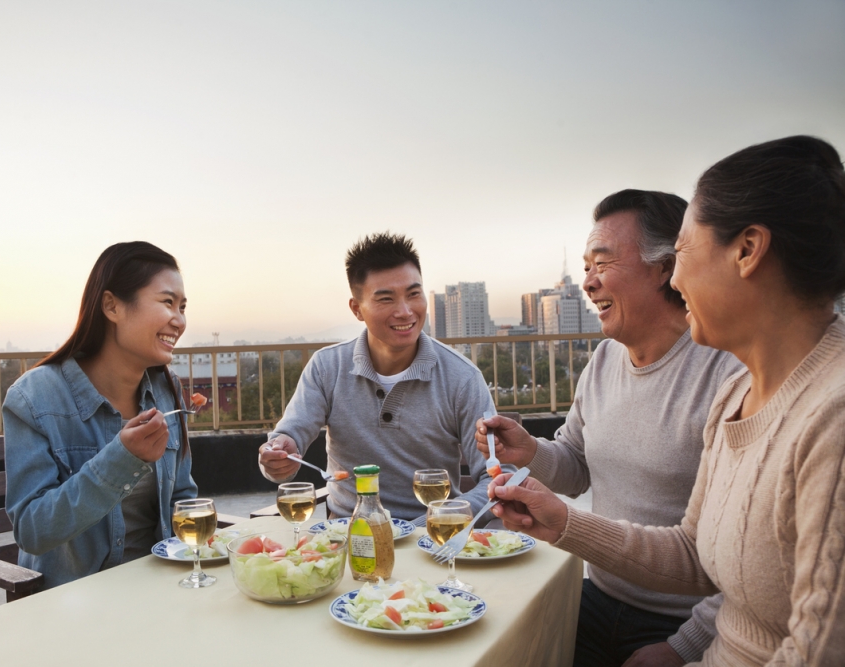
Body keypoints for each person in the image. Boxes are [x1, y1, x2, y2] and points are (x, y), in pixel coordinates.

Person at [489, 136, 845, 666]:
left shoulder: (827, 416)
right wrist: (560, 518)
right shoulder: (738, 393)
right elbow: (695, 551)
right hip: (608, 596)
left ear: (747, 250)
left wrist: (683, 650)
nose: (677, 276)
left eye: (681, 252)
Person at [477, 190, 742, 666]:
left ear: (666, 267)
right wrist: (529, 451)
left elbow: (748, 554)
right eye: (585, 268)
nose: (588, 282)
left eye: (602, 263)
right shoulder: (604, 360)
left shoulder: (728, 372)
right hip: (595, 593)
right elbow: (576, 465)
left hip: (683, 620)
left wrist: (685, 647)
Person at [258, 232, 496, 522]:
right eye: (386, 299)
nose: (405, 311)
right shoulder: (326, 367)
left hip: (432, 536)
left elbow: (497, 477)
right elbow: (289, 437)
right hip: (348, 533)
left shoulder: (462, 377)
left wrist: (431, 522)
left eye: (414, 294)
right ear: (357, 309)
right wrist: (279, 456)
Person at [3, 241, 197, 588]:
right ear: (112, 306)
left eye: (183, 307)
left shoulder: (167, 391)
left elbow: (182, 496)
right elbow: (32, 530)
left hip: (160, 590)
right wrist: (121, 460)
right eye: (167, 302)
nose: (179, 320)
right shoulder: (34, 397)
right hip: (75, 604)